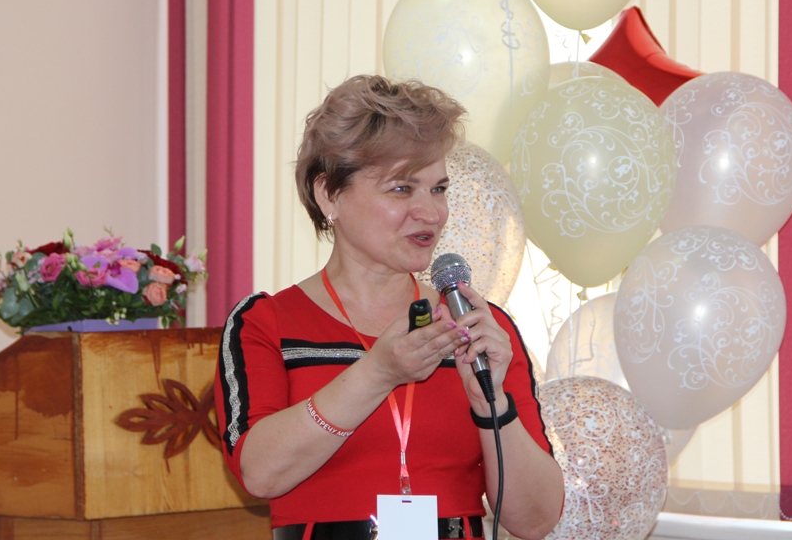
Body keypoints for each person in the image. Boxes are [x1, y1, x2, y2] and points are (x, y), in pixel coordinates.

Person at [216, 76, 564, 540]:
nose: (431, 213)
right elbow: (260, 474)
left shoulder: (478, 326)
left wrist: (491, 403)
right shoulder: (266, 323)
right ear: (329, 194)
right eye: (402, 189)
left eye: (438, 189)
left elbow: (535, 520)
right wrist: (378, 372)